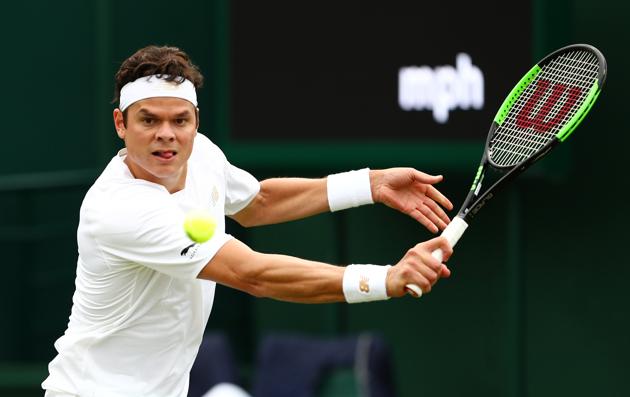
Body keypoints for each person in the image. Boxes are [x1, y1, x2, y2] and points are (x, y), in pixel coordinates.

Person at [42, 45, 455, 397]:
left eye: (179, 121)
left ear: (195, 123)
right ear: (121, 124)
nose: (166, 134)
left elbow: (257, 202)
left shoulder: (200, 154)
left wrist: (369, 183)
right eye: (148, 120)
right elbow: (253, 274)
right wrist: (385, 279)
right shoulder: (121, 208)